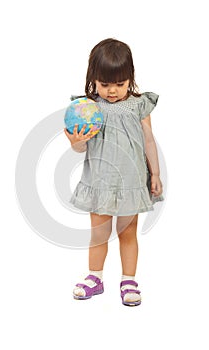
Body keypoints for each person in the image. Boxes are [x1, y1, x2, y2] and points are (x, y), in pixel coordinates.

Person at [64, 38, 164, 306]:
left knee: (127, 233)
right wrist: (76, 143)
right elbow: (81, 148)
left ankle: (128, 279)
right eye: (105, 84)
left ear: (130, 79)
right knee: (98, 234)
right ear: (93, 79)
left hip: (131, 183)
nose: (112, 91)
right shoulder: (87, 108)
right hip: (99, 182)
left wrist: (154, 173)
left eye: (119, 84)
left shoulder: (139, 104)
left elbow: (149, 141)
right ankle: (94, 277)